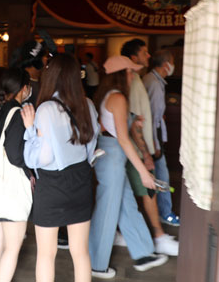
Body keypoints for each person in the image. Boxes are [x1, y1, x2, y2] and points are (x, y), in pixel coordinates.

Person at [89, 55, 168, 279]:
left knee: (125, 205)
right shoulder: (118, 98)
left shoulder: (106, 95)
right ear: (122, 74)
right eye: (131, 72)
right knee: (108, 210)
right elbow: (123, 139)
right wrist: (144, 172)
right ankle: (96, 263)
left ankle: (143, 253)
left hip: (108, 155)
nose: (134, 76)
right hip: (113, 156)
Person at [22, 53, 99, 282]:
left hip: (53, 185)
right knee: (81, 252)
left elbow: (43, 157)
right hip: (81, 179)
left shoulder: (46, 109)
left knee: (46, 254)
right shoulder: (88, 104)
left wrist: (29, 131)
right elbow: (91, 147)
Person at [120, 40, 178, 256]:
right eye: (144, 53)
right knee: (149, 187)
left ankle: (151, 233)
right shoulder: (135, 81)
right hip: (140, 146)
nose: (148, 56)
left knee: (140, 190)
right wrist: (147, 151)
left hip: (142, 144)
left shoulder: (136, 79)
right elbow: (138, 121)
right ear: (133, 58)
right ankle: (158, 235)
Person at [0, 68, 32, 282]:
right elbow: (15, 156)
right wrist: (30, 172)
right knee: (13, 246)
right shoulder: (18, 113)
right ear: (23, 88)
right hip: (9, 186)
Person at [143, 50, 180, 227]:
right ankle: (165, 213)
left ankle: (161, 211)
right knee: (162, 176)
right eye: (172, 61)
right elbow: (154, 118)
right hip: (153, 140)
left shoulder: (152, 79)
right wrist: (156, 145)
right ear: (166, 65)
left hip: (151, 138)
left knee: (157, 176)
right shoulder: (155, 84)